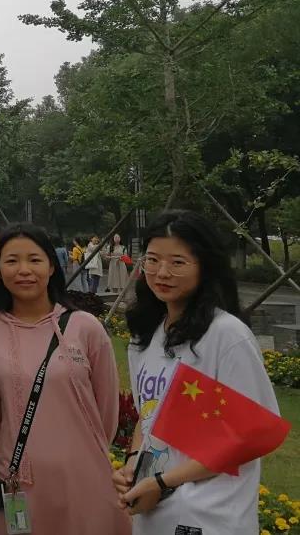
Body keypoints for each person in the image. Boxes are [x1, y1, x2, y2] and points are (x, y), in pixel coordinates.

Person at [113, 210, 278, 534]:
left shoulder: (226, 335)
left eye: (177, 262)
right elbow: (149, 415)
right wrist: (132, 466)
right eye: (152, 260)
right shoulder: (145, 336)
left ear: (205, 266)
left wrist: (164, 482)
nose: (162, 272)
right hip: (154, 516)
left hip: (209, 517)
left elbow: (253, 434)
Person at [0, 223, 129, 535]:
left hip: (86, 479)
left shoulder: (85, 327)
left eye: (34, 259)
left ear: (52, 266)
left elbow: (106, 412)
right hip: (22, 484)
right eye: (12, 260)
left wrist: (82, 452)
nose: (24, 270)